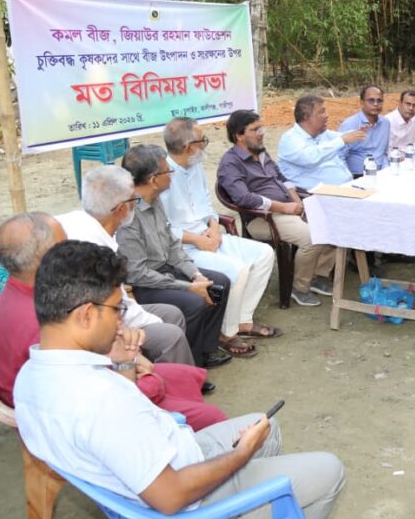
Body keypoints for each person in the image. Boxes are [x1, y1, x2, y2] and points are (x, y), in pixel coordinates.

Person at [13, 241, 345, 519]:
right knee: (329, 471)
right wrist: (240, 456)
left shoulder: (32, 375)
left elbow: (121, 436)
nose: (122, 319)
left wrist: (124, 364)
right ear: (85, 315)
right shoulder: (97, 400)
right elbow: (170, 497)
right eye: (117, 308)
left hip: (156, 477)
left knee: (268, 429)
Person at [0, 212, 225, 428]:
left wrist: (129, 355)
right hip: (72, 410)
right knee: (210, 416)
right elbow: (104, 392)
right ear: (45, 258)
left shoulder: (30, 290)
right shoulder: (47, 319)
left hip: (77, 387)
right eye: (64, 246)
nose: (72, 252)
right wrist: (132, 363)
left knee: (178, 376)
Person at [57, 165, 210, 368]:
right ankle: (167, 381)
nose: (136, 204)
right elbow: (116, 307)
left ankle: (175, 373)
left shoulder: (83, 222)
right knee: (170, 334)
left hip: (113, 310)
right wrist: (154, 323)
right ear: (121, 209)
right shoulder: (92, 248)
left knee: (173, 314)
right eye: (133, 200)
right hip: (99, 325)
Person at [117, 144, 243, 364]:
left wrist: (195, 275)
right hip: (147, 284)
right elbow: (137, 274)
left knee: (218, 283)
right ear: (153, 179)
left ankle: (205, 349)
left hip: (167, 270)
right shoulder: (129, 217)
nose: (171, 174)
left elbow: (173, 246)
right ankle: (191, 364)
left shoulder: (154, 200)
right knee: (193, 302)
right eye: (167, 171)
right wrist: (188, 287)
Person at [159, 117, 280, 343]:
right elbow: (162, 228)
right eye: (202, 139)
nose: (206, 144)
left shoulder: (194, 166)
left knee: (264, 254)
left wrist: (214, 227)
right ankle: (226, 333)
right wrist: (196, 240)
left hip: (209, 236)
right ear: (188, 147)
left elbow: (205, 202)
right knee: (238, 270)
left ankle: (242, 320)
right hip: (183, 248)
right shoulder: (162, 175)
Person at [218, 109, 336, 307]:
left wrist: (297, 201)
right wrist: (284, 207)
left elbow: (282, 179)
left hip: (287, 208)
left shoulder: (260, 153)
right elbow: (243, 198)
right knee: (312, 237)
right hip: (262, 218)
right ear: (239, 136)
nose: (262, 132)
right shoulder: (230, 163)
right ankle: (299, 288)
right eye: (255, 129)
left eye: (261, 127)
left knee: (332, 225)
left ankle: (316, 275)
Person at [277, 95, 365, 191]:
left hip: (344, 189)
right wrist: (342, 140)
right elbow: (310, 158)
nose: (326, 115)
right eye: (322, 112)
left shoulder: (322, 134)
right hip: (315, 197)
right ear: (307, 117)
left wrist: (357, 133)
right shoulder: (290, 139)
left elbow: (342, 136)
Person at [338, 85, 390, 176]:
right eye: (371, 100)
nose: (375, 104)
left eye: (379, 100)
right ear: (362, 102)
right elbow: (339, 156)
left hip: (382, 173)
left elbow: (383, 152)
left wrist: (387, 170)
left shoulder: (386, 123)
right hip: (358, 175)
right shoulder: (350, 124)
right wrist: (348, 178)